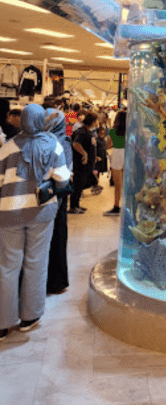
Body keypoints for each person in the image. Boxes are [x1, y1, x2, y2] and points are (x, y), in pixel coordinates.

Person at [0, 104, 71, 341]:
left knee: (7, 266)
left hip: (9, 213)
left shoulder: (7, 147)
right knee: (35, 262)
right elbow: (61, 178)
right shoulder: (53, 144)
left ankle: (3, 321)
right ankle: (29, 317)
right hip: (41, 213)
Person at [44, 109, 72, 294]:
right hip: (56, 198)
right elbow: (66, 175)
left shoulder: (35, 140)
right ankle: (56, 282)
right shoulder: (62, 143)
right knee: (57, 237)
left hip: (35, 199)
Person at [69, 112, 99, 214]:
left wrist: (93, 156)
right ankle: (73, 207)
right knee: (77, 185)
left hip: (86, 165)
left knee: (80, 186)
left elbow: (87, 145)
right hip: (81, 164)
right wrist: (85, 154)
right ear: (93, 121)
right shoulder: (82, 132)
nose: (97, 123)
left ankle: (77, 205)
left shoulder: (87, 131)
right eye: (96, 121)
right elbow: (76, 144)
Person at [103, 110, 127, 216]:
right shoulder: (130, 130)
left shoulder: (113, 131)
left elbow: (108, 145)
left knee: (118, 184)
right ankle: (127, 207)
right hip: (127, 154)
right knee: (126, 184)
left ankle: (116, 206)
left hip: (117, 155)